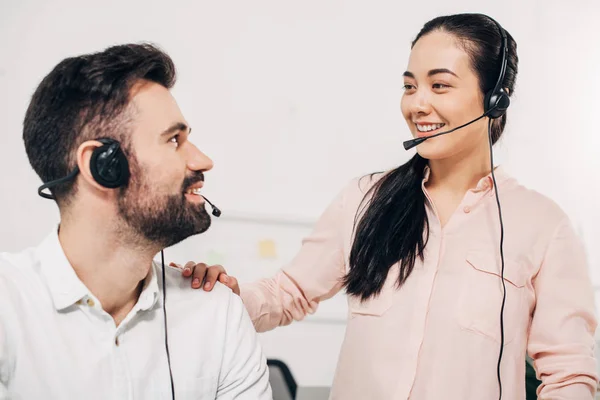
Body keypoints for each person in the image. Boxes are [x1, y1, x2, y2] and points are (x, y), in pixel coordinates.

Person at [179, 13, 599, 399]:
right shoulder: (365, 199)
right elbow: (287, 293)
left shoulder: (543, 226)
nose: (417, 104)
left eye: (439, 85)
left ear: (494, 100)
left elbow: (569, 373)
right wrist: (225, 297)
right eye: (409, 86)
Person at [0, 43, 272, 400]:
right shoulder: (9, 306)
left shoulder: (217, 314)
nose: (203, 161)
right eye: (174, 140)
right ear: (103, 165)